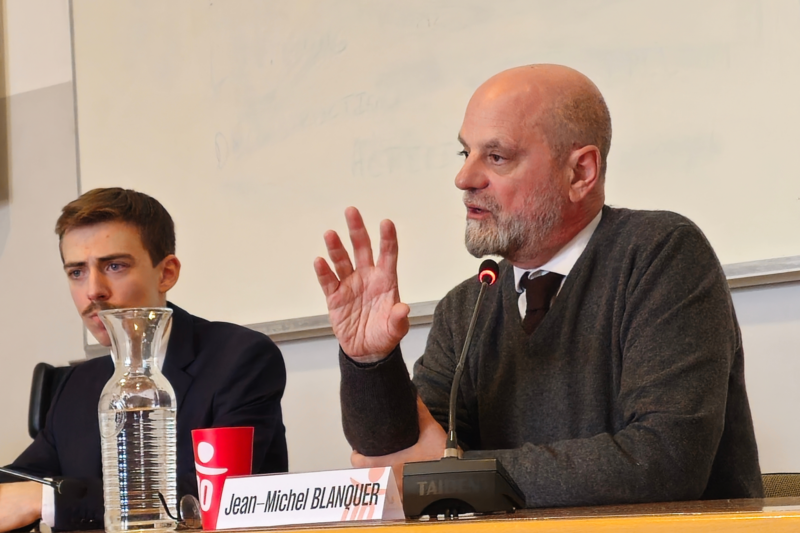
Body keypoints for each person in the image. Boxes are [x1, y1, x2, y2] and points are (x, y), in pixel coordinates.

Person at [314, 64, 762, 508]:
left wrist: (458, 476)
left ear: (580, 173)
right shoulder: (466, 307)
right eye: (464, 153)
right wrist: (370, 364)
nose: (464, 179)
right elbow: (400, 465)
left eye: (496, 156)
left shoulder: (661, 256)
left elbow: (665, 461)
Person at [0, 188, 288, 531]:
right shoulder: (76, 384)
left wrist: (46, 501)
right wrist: (30, 495)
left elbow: (214, 497)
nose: (93, 290)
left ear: (166, 273)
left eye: (114, 265)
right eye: (77, 272)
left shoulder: (240, 358)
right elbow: (15, 485)